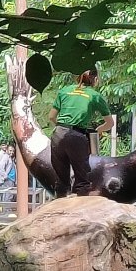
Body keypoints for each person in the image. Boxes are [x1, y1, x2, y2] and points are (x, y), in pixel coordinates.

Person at [47, 67, 114, 197]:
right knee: (82, 182)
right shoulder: (95, 96)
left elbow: (51, 116)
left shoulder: (65, 91)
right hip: (77, 137)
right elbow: (110, 123)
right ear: (95, 79)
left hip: (58, 135)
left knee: (61, 182)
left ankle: (60, 208)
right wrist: (99, 130)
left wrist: (63, 128)